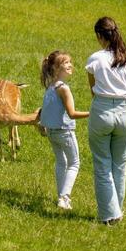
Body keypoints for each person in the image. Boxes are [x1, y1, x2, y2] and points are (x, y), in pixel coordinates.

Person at [85, 17, 126, 225]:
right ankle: (117, 210)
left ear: (100, 36)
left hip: (102, 110)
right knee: (120, 164)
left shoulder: (95, 59)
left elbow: (93, 90)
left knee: (102, 164)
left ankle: (109, 215)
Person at [38, 50, 90, 210]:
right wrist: (93, 113)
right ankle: (64, 197)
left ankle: (61, 197)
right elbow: (72, 114)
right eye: (65, 63)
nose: (70, 65)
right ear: (55, 68)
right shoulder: (63, 89)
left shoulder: (50, 87)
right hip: (64, 132)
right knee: (74, 163)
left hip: (52, 132)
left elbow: (45, 110)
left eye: (69, 62)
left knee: (61, 162)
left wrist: (42, 125)